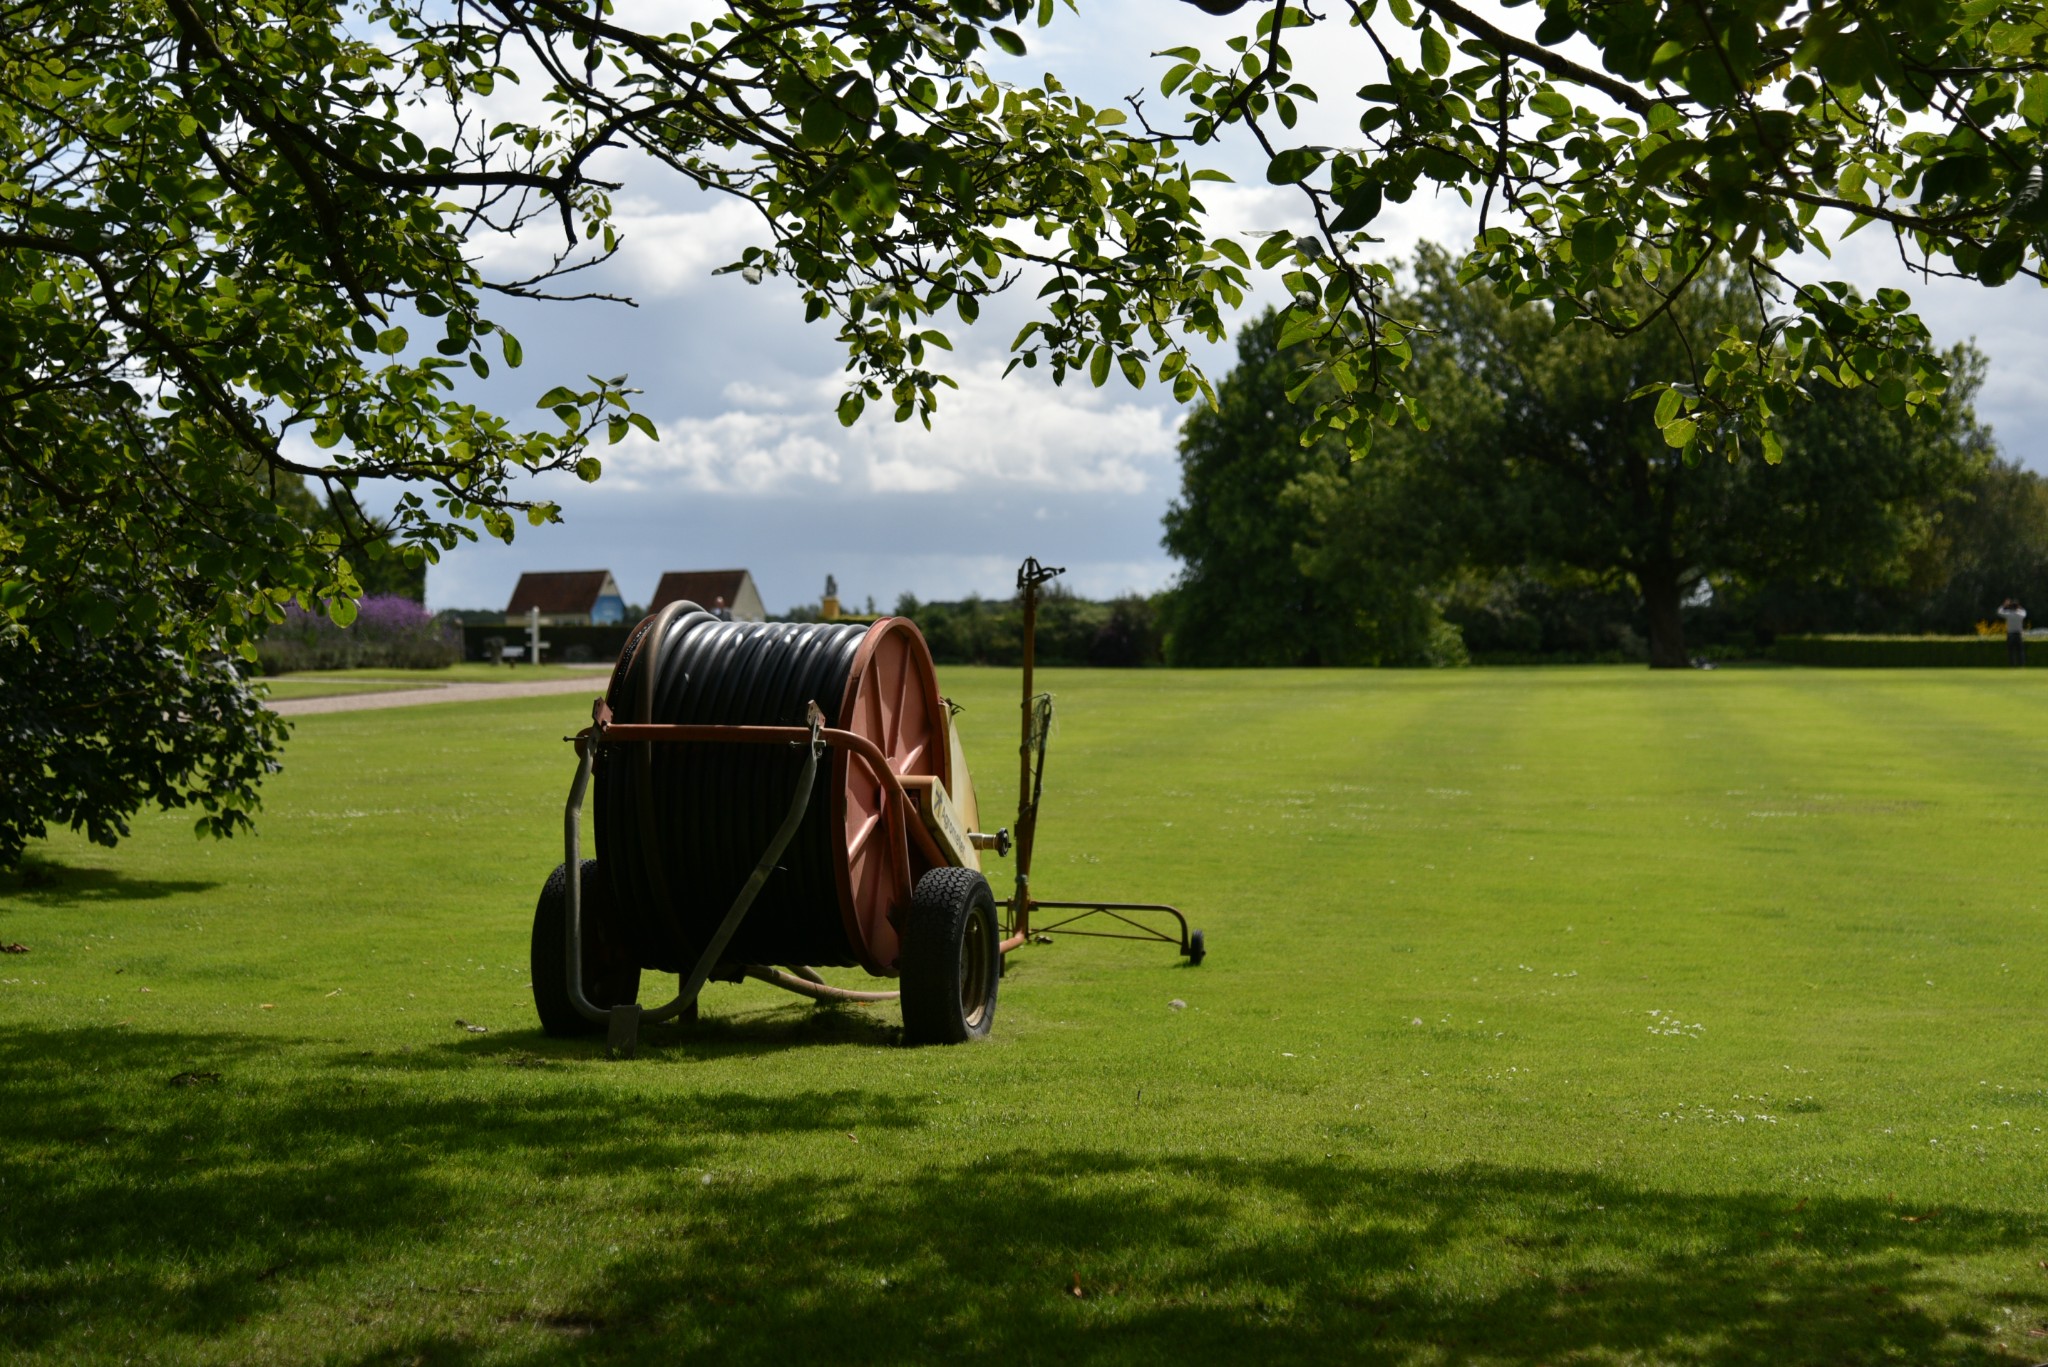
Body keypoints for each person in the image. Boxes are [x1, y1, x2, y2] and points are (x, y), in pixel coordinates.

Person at [1998, 597, 2028, 666]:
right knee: (2020, 651)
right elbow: (2025, 612)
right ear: (2017, 607)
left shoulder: (2008, 614)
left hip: (2010, 634)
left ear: (2010, 607)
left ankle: (2012, 665)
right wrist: (2020, 607)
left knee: (2011, 651)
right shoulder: (2020, 614)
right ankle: (2021, 665)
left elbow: (1999, 612)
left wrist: (2004, 605)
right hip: (2018, 634)